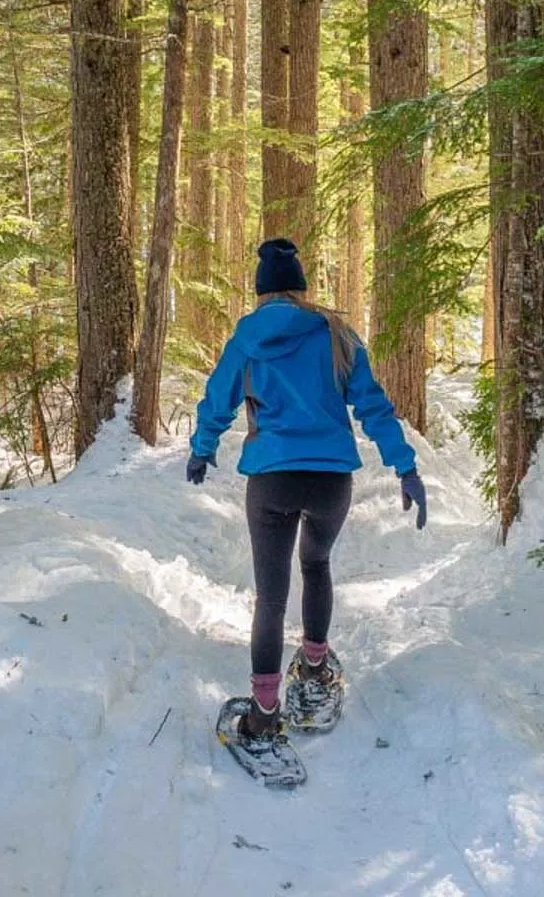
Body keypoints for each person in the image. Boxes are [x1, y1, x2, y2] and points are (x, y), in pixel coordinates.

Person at [186, 238, 427, 743]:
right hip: (330, 480)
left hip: (271, 479)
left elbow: (218, 401)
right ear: (300, 288)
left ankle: (264, 713)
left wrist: (203, 448)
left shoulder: (247, 340)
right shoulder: (337, 334)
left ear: (261, 293)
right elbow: (373, 406)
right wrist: (405, 466)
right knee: (316, 566)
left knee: (270, 598)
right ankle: (315, 672)